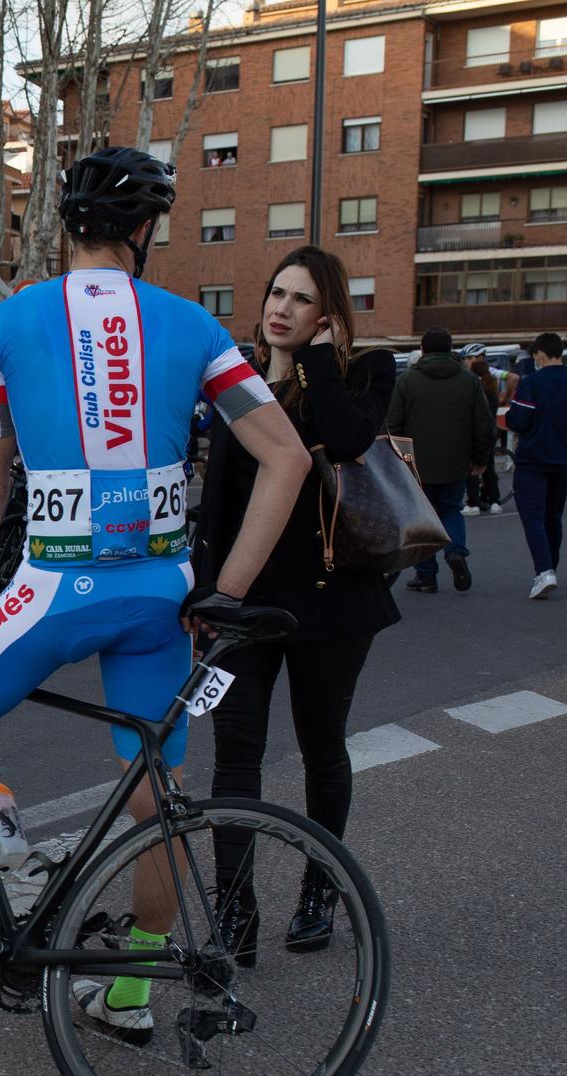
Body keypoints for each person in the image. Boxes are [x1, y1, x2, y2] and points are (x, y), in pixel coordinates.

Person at [0, 147, 312, 1047]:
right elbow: (288, 458)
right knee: (158, 799)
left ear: (62, 227)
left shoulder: (5, 324)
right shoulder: (192, 326)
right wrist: (223, 592)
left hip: (53, 589)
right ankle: (131, 989)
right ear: (146, 231)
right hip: (161, 594)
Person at [196, 245, 398, 955]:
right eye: (275, 293)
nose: (280, 308)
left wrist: (311, 362)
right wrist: (205, 593)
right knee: (234, 754)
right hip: (244, 601)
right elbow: (217, 503)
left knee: (321, 749)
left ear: (328, 315)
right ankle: (237, 910)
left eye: (300, 299)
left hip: (332, 603)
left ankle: (320, 886)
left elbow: (347, 438)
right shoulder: (236, 381)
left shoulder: (366, 371)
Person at [386, 326, 492, 593]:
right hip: (456, 461)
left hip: (415, 463)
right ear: (450, 349)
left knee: (422, 518)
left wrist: (394, 459)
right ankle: (456, 552)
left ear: (422, 350)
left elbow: (393, 423)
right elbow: (483, 425)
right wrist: (480, 458)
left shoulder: (407, 381)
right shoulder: (469, 381)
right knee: (451, 509)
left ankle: (426, 575)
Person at [504, 331, 567, 599]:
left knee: (532, 516)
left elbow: (519, 420)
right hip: (564, 459)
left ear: (540, 353)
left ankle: (544, 571)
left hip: (533, 459)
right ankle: (550, 568)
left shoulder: (532, 383)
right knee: (553, 517)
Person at [462, 346, 505, 516]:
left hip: (475, 431)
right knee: (488, 467)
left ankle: (473, 503)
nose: (466, 361)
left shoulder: (472, 383)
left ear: (479, 358)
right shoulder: (492, 383)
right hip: (490, 430)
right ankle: (495, 501)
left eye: (469, 358)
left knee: (473, 467)